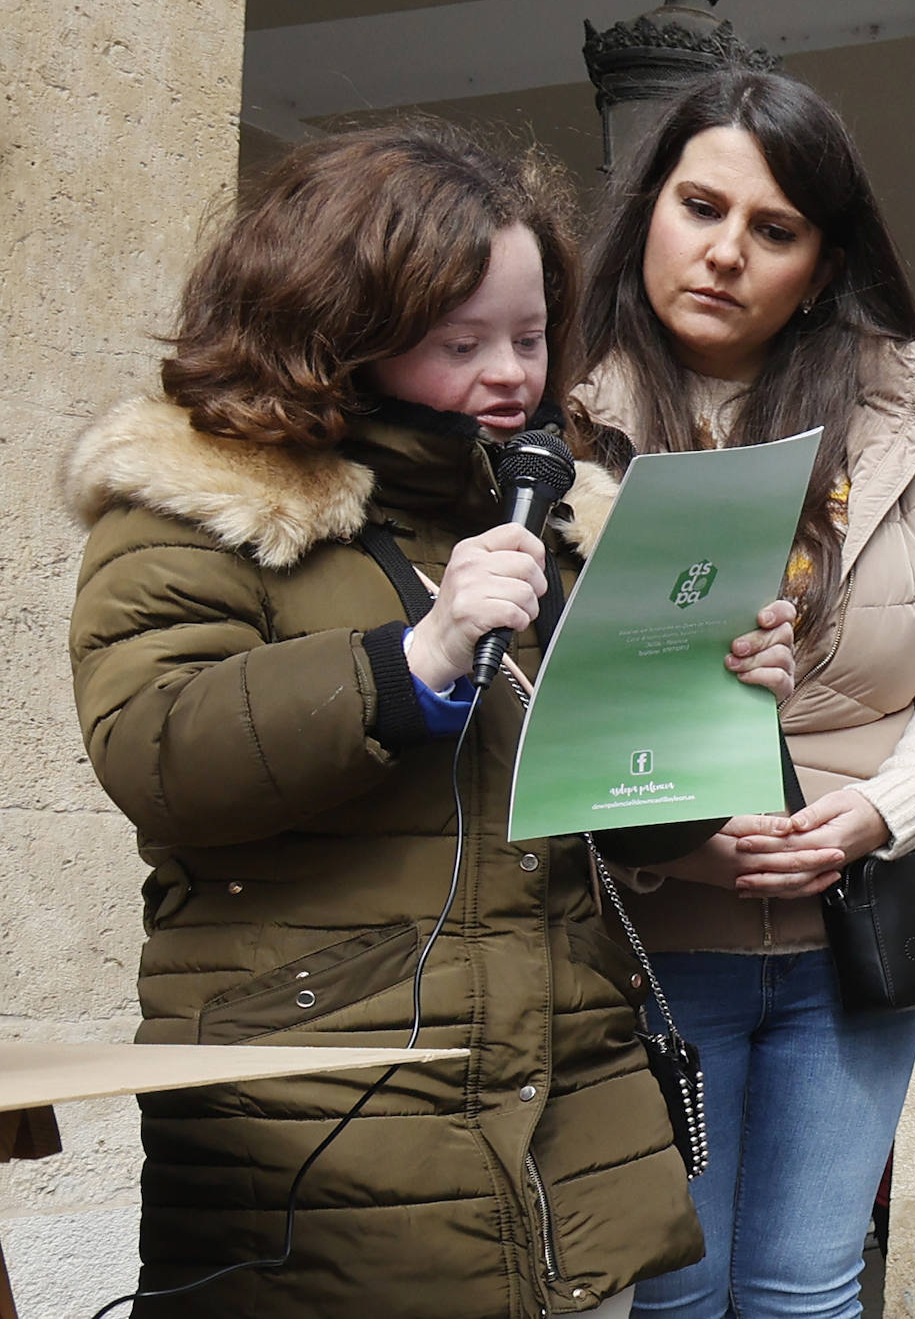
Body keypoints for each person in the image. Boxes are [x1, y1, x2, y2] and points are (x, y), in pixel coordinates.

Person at [65, 122, 801, 1319]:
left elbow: (638, 834)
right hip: (328, 1125)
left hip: (565, 1130)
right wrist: (412, 659)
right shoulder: (196, 506)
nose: (513, 372)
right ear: (334, 332)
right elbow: (155, 751)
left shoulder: (557, 526)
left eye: (528, 334)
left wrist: (710, 702)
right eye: (463, 343)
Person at [567, 67, 915, 1319]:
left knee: (807, 1289)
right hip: (647, 945)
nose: (725, 253)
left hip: (853, 940)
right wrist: (671, 840)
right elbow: (523, 697)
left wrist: (885, 809)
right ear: (647, 211)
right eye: (699, 207)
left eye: (773, 230)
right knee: (669, 1293)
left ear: (821, 263)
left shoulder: (898, 415)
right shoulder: (554, 414)